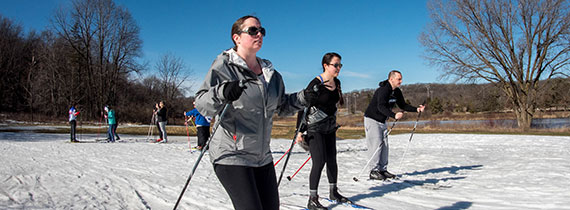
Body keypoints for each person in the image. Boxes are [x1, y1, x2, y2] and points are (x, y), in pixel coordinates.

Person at [194, 15, 315, 210]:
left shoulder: (271, 74)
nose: (259, 34)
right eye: (253, 31)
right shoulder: (224, 67)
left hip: (261, 156)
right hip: (231, 153)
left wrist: (303, 98)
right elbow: (201, 103)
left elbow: (281, 105)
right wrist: (222, 91)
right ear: (237, 38)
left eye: (261, 31)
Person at [295, 52, 350, 210]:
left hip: (329, 127)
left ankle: (334, 192)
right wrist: (299, 131)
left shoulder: (337, 82)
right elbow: (303, 107)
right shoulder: (315, 83)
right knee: (319, 162)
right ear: (326, 65)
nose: (339, 68)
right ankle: (313, 199)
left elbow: (332, 105)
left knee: (332, 159)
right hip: (315, 128)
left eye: (340, 65)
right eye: (336, 65)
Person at [363, 70, 425, 180]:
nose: (401, 81)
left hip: (382, 121)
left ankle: (382, 169)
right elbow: (380, 106)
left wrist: (417, 109)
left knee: (385, 145)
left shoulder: (396, 91)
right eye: (399, 79)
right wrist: (394, 115)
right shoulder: (383, 90)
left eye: (401, 79)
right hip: (372, 119)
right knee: (376, 144)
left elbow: (403, 105)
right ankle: (373, 171)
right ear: (391, 79)